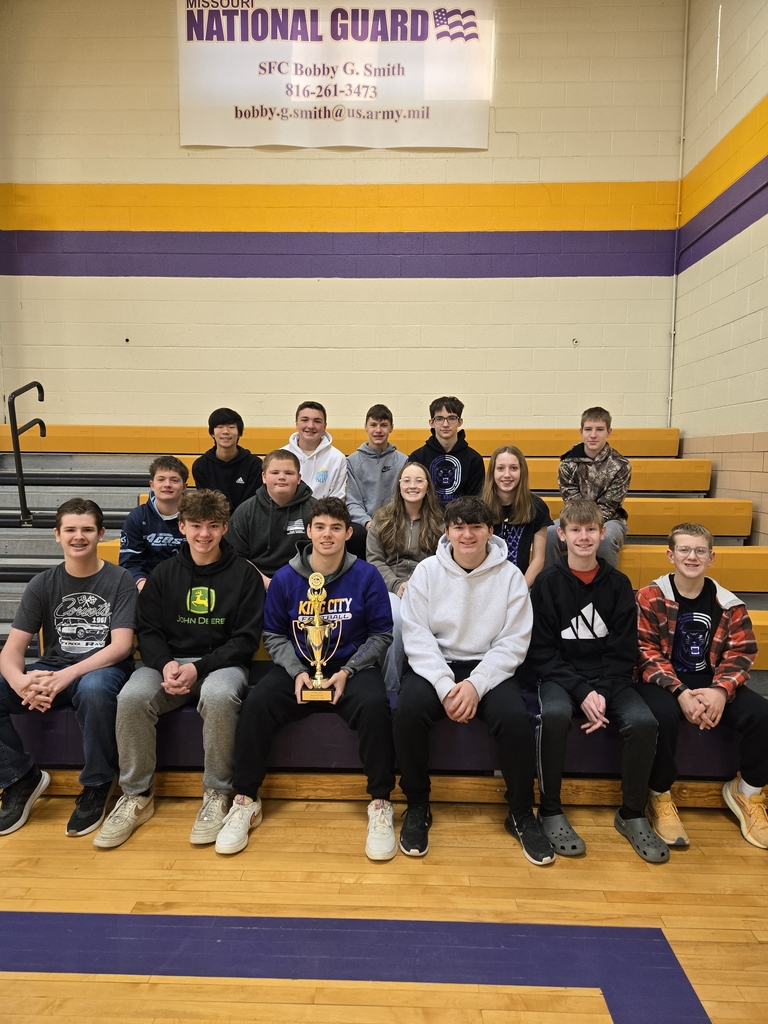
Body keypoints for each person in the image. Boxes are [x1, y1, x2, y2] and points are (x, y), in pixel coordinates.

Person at [214, 497, 397, 861]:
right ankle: (245, 800)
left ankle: (380, 803)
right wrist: (297, 671)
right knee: (256, 704)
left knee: (376, 707)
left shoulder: (367, 576)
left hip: (351, 668)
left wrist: (347, 670)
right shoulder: (286, 577)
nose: (327, 535)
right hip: (298, 667)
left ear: (348, 533)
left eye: (335, 528)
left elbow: (381, 634)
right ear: (308, 531)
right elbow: (274, 634)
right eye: (320, 527)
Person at [94, 489, 264, 849]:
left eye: (213, 526)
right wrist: (166, 664)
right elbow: (149, 631)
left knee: (219, 695)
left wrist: (199, 668)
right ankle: (136, 795)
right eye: (196, 525)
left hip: (221, 665)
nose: (204, 534)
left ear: (225, 528)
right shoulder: (163, 574)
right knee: (132, 697)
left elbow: (245, 639)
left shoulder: (244, 575)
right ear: (182, 526)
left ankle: (217, 793)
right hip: (168, 663)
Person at [394, 496, 552, 865]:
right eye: (459, 527)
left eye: (476, 527)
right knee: (407, 711)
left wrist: (475, 684)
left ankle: (520, 812)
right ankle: (417, 805)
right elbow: (416, 636)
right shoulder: (427, 572)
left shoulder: (510, 576)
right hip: (437, 665)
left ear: (490, 531)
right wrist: (444, 685)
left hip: (488, 667)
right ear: (447, 531)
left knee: (515, 719)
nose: (467, 535)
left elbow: (513, 643)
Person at [527, 498, 668, 862]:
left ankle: (632, 813)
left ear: (603, 533)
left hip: (610, 678)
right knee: (554, 715)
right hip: (560, 676)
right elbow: (541, 652)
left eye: (591, 529)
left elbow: (623, 651)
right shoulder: (546, 583)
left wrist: (601, 691)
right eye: (575, 530)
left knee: (643, 722)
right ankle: (550, 809)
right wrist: (582, 690)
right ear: (562, 535)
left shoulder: (619, 585)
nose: (584, 537)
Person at [0, 498, 137, 838]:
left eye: (87, 529)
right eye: (71, 530)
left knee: (94, 689)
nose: (79, 536)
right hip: (53, 668)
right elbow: (12, 650)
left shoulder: (120, 579)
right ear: (57, 535)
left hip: (102, 667)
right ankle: (19, 778)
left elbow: (121, 646)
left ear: (101, 534)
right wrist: (20, 682)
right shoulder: (42, 583)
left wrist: (67, 676)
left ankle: (97, 783)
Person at [637, 522, 768, 850]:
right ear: (671, 555)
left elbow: (741, 652)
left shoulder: (729, 603)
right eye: (684, 549)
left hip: (713, 684)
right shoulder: (650, 597)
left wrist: (720, 691)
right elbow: (645, 651)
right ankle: (659, 795)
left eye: (699, 551)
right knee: (662, 716)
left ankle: (748, 792)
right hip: (664, 683)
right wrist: (681, 692)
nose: (691, 557)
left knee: (762, 713)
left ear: (711, 557)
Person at [367, 462, 444, 690]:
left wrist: (420, 586)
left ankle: (435, 685)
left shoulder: (440, 520)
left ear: (427, 487)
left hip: (428, 589)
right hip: (391, 587)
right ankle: (391, 688)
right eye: (407, 480)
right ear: (399, 486)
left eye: (419, 481)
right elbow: (374, 560)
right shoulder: (382, 518)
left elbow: (444, 561)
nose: (413, 486)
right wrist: (396, 584)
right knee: (395, 620)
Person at [545, 407, 631, 568]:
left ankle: (607, 583)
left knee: (605, 539)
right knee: (548, 534)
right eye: (588, 429)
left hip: (610, 520)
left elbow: (609, 506)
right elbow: (572, 502)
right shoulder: (568, 463)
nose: (593, 435)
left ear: (609, 432)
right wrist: (580, 527)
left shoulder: (621, 465)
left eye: (599, 429)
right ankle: (550, 580)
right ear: (581, 431)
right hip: (575, 517)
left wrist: (590, 530)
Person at [228, 449, 316, 591]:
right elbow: (236, 557)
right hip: (258, 582)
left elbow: (323, 552)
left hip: (304, 582)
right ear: (263, 477)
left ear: (299, 478)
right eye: (275, 473)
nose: (281, 477)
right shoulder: (245, 511)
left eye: (289, 473)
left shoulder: (315, 510)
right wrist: (268, 584)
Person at [481, 445, 552, 588]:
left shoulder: (537, 507)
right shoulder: (479, 505)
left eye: (513, 468)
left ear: (522, 471)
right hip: (483, 583)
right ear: (492, 472)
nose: (507, 474)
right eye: (500, 468)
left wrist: (520, 590)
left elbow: (538, 560)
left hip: (520, 583)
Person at [119, 456, 188, 590]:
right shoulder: (137, 517)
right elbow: (130, 563)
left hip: (188, 585)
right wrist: (144, 586)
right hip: (148, 587)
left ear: (184, 487)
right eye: (161, 479)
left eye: (174, 480)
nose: (167, 484)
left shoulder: (195, 516)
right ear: (152, 485)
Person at [408, 396, 484, 506]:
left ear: (460, 421)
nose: (445, 424)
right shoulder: (417, 458)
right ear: (431, 422)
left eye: (451, 418)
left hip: (461, 517)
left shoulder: (474, 460)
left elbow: (473, 502)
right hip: (426, 516)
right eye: (439, 419)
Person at [346, 403, 407, 530]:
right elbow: (352, 502)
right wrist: (368, 523)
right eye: (373, 425)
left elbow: (406, 499)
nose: (378, 430)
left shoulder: (403, 461)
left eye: (383, 425)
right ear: (366, 427)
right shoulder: (352, 462)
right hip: (363, 524)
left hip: (395, 523)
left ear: (391, 428)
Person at [192, 407, 263, 511]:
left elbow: (251, 504)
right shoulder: (201, 466)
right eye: (220, 427)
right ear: (212, 433)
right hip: (214, 519)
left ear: (239, 433)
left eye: (231, 427)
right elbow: (206, 504)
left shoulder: (255, 464)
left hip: (245, 519)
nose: (225, 431)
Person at [287, 401, 347, 499]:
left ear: (324, 426)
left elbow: (337, 497)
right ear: (296, 423)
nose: (310, 426)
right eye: (305, 420)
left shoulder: (337, 458)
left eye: (317, 421)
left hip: (324, 509)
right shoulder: (282, 456)